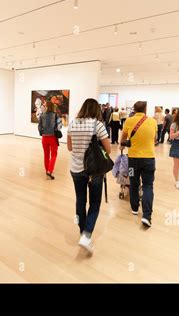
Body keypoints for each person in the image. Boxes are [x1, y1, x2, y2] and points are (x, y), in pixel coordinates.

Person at [67, 98, 111, 253]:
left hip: (76, 169)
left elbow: (70, 147)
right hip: (94, 171)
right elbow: (109, 150)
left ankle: (81, 232)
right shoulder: (97, 125)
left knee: (80, 201)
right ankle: (86, 235)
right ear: (96, 110)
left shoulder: (72, 123)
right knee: (94, 203)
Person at [120, 101, 156, 227]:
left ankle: (134, 208)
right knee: (147, 186)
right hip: (149, 159)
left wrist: (123, 145)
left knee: (134, 183)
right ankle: (147, 216)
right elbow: (154, 139)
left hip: (133, 160)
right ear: (145, 109)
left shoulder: (129, 121)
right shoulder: (153, 121)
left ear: (134, 109)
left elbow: (123, 139)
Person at [38, 100, 62, 180]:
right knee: (54, 154)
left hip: (44, 138)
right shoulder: (56, 115)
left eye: (45, 105)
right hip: (53, 137)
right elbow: (60, 126)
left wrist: (42, 132)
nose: (43, 106)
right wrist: (55, 129)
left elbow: (39, 126)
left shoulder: (42, 115)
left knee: (46, 154)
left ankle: (47, 170)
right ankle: (50, 170)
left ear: (47, 107)